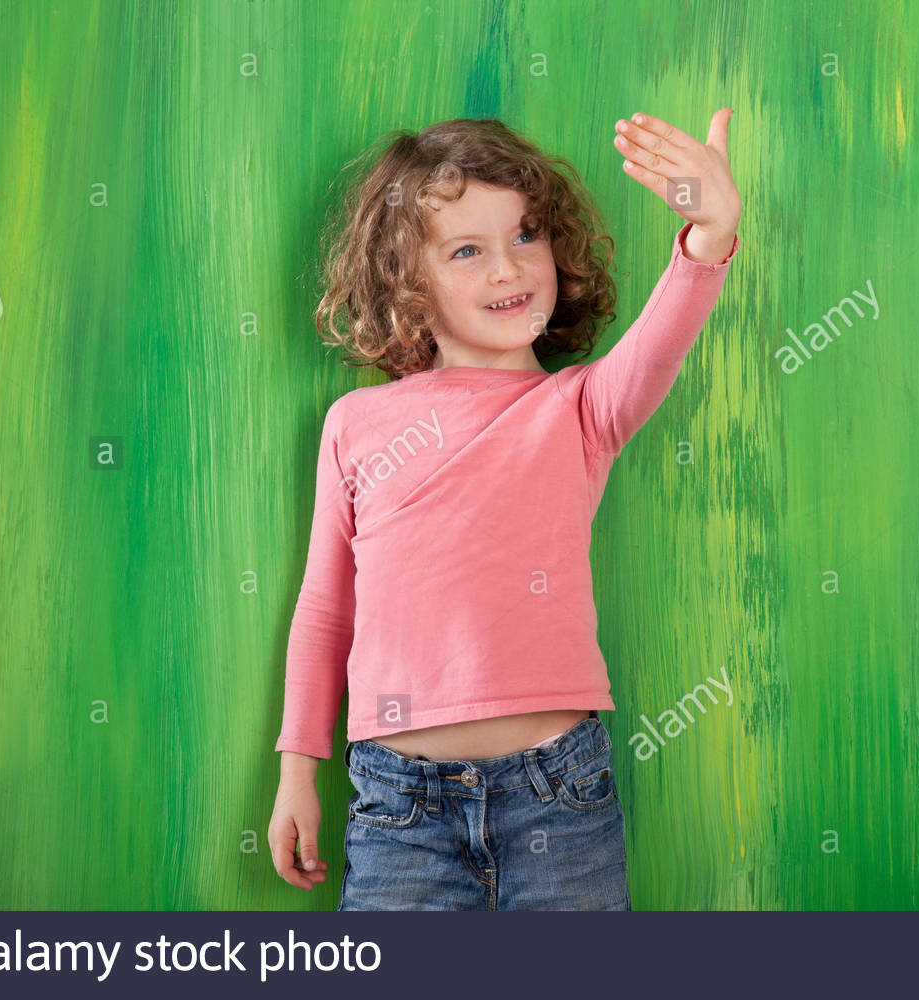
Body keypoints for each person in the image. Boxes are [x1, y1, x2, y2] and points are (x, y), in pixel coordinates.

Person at [268, 111, 742, 910]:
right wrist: (295, 773)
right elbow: (324, 610)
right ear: (407, 285)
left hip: (559, 793)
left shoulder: (582, 408)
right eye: (466, 251)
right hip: (398, 810)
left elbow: (666, 333)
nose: (507, 269)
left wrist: (711, 231)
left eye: (526, 236)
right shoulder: (357, 426)